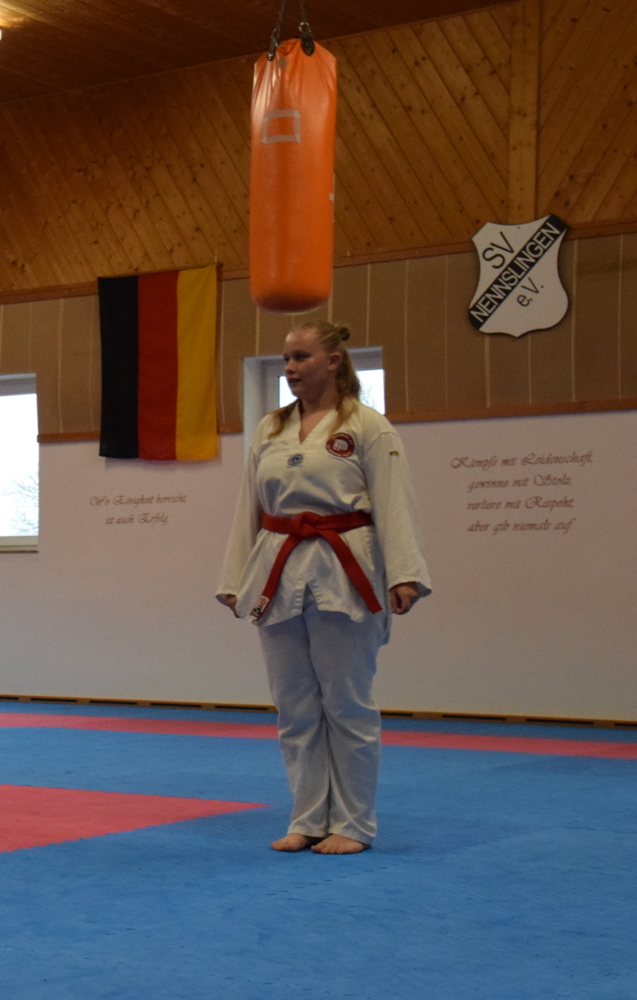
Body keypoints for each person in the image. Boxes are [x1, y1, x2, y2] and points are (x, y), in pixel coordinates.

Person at [217, 320, 431, 855]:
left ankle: (353, 823)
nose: (290, 368)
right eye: (286, 359)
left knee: (347, 703)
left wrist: (404, 573)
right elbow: (249, 505)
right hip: (277, 567)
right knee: (294, 705)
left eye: (301, 357)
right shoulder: (270, 429)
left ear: (333, 361)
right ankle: (308, 817)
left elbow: (394, 501)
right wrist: (235, 578)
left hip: (345, 568)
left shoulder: (368, 426)